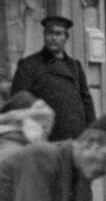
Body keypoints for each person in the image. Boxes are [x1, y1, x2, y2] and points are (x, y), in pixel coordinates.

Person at [10, 14, 96, 142]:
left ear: (66, 38)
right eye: (50, 33)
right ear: (44, 36)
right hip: (47, 138)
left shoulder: (75, 66)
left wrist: (91, 131)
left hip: (75, 137)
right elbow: (19, 102)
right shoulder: (29, 65)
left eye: (58, 34)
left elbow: (86, 102)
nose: (53, 38)